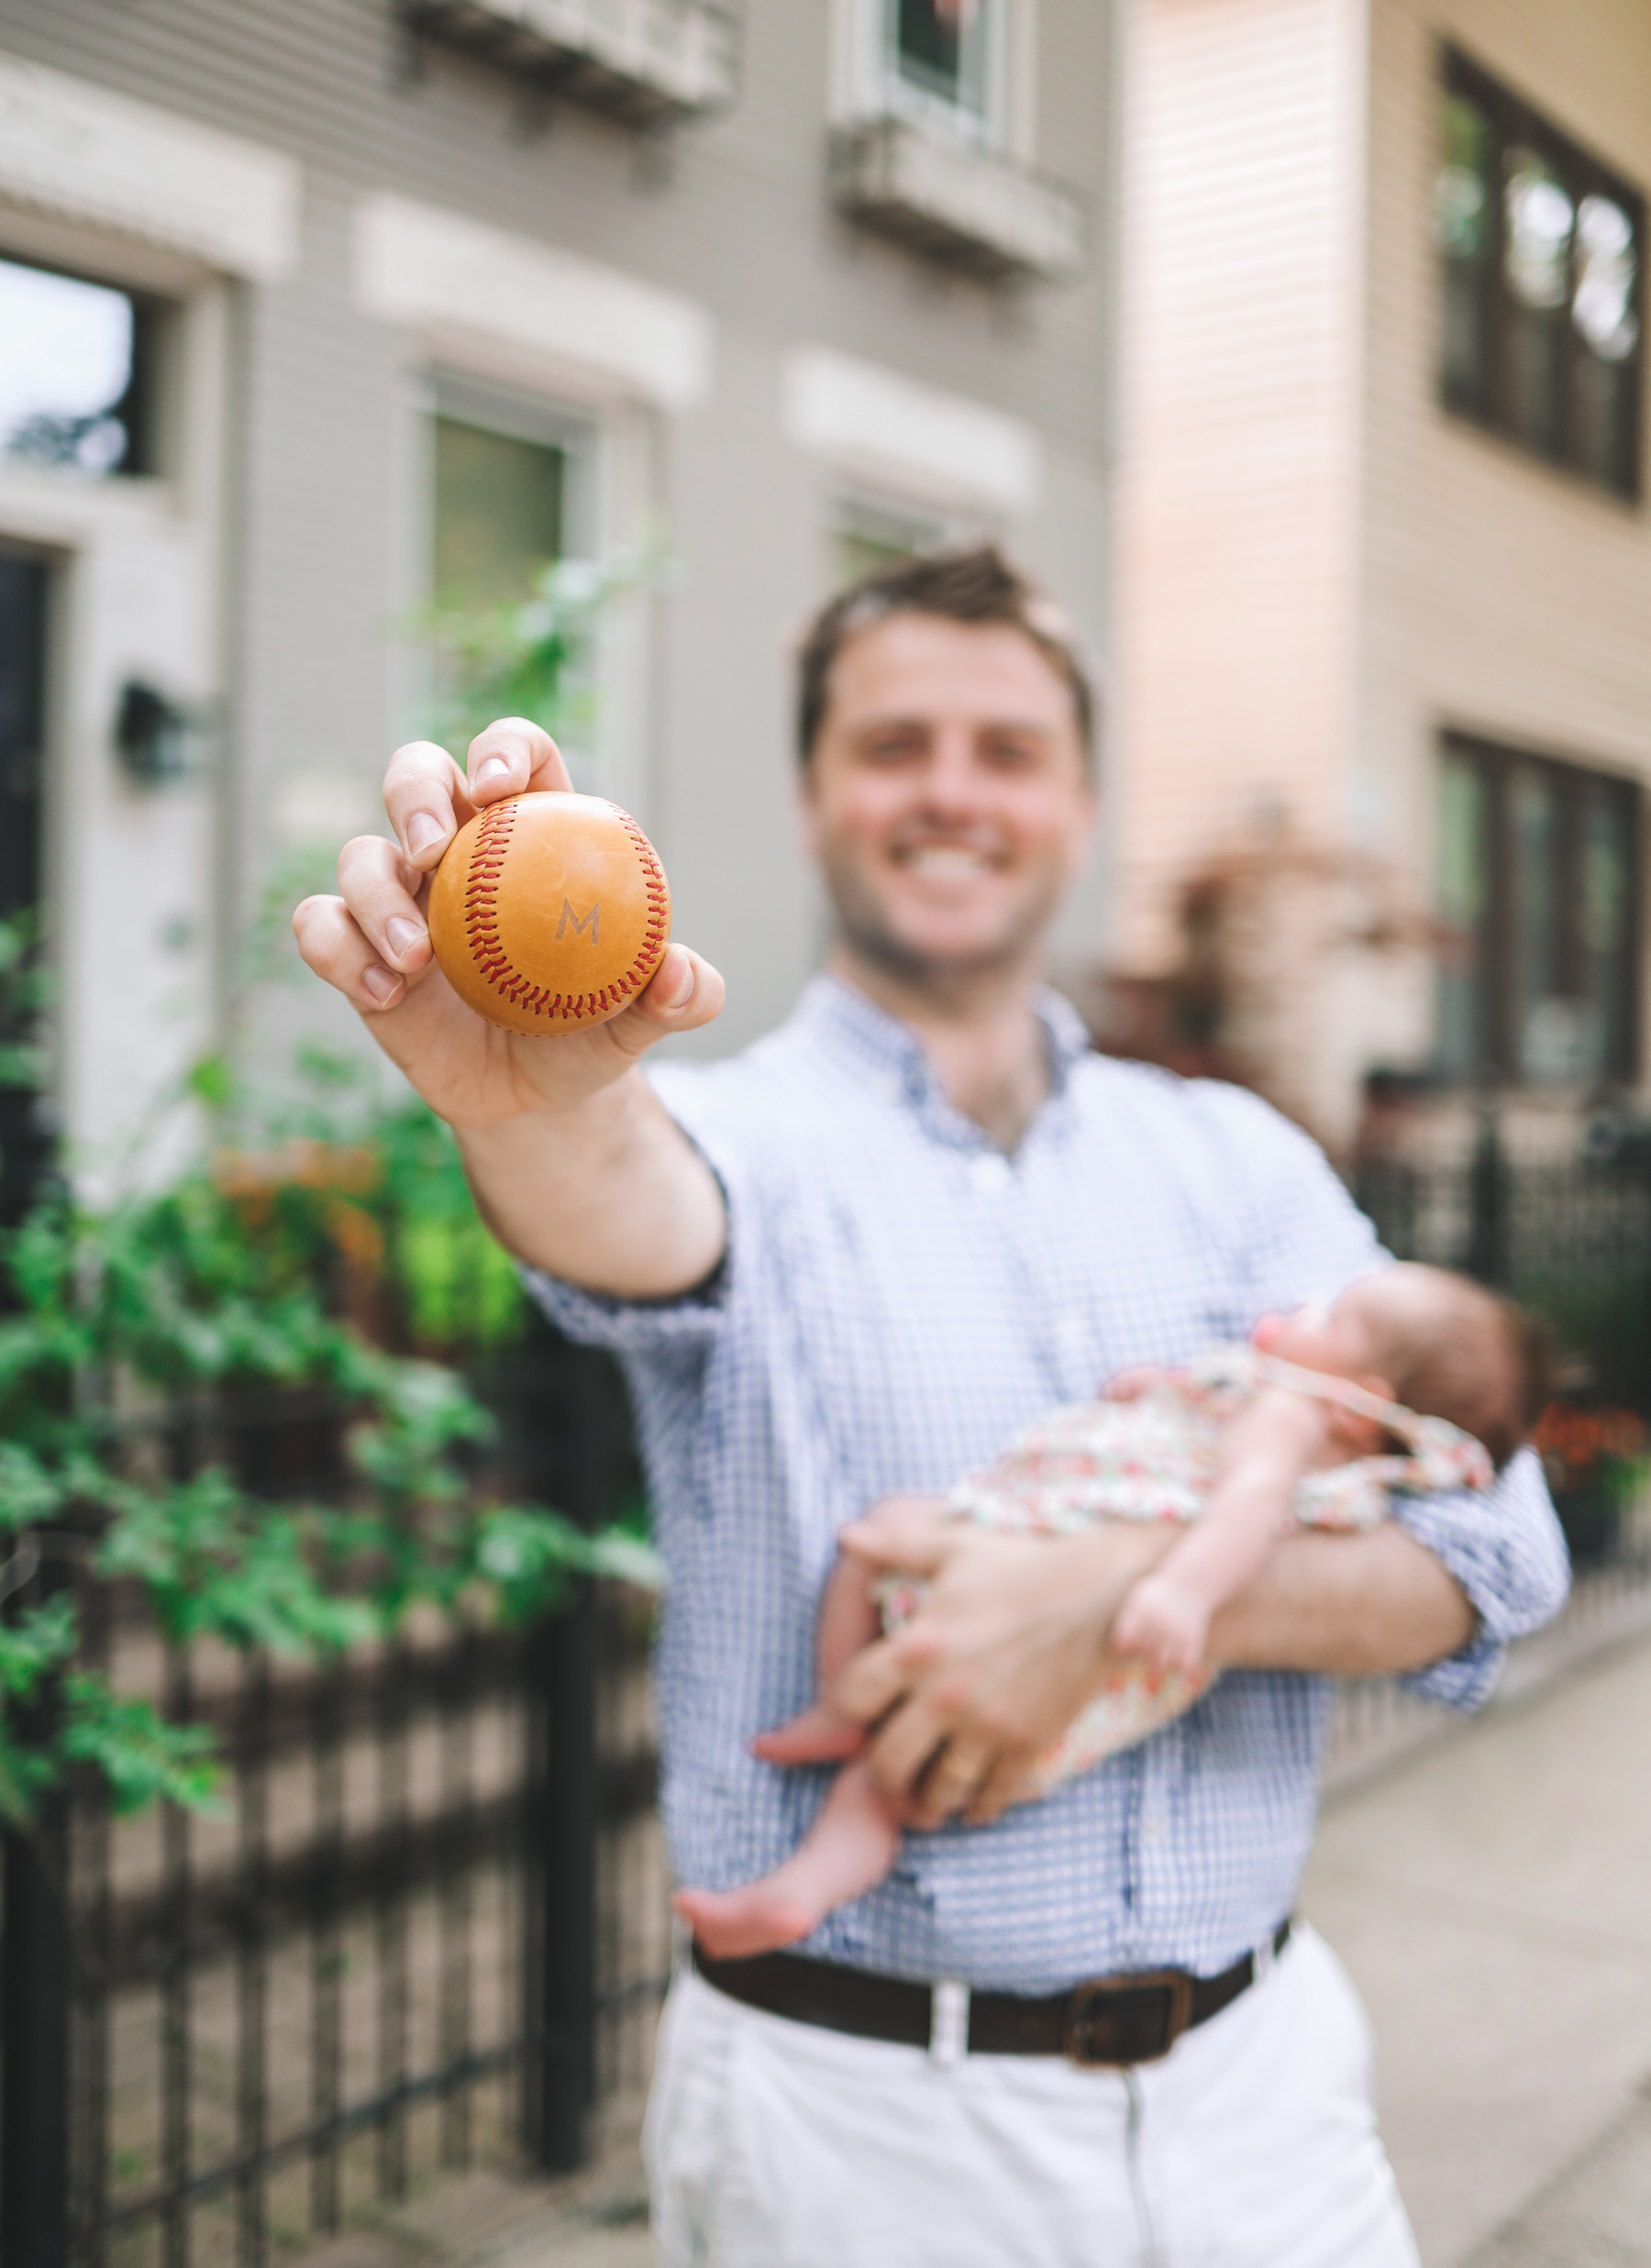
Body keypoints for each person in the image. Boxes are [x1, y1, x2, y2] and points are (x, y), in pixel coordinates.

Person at [294, 548, 1569, 2268]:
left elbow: (1505, 1542)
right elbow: (632, 1215)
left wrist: (1105, 1602)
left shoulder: (1241, 1160)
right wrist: (528, 1111)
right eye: (895, 744)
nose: (951, 792)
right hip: (864, 2141)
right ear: (815, 790)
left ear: (1083, 799)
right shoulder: (726, 1142)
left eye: (1007, 748)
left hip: (1268, 2102)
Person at [672, 1263, 1550, 1961]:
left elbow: (1244, 1505)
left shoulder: (1289, 1418)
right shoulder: (1272, 1403)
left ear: (1362, 1403)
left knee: (877, 1553)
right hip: (1019, 1554)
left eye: (1333, 1318)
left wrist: (1182, 1593)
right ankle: (828, 1801)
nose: (1303, 1311)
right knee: (885, 1652)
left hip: (1046, 1556)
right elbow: (1192, 1438)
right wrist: (1156, 1391)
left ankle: (819, 1817)